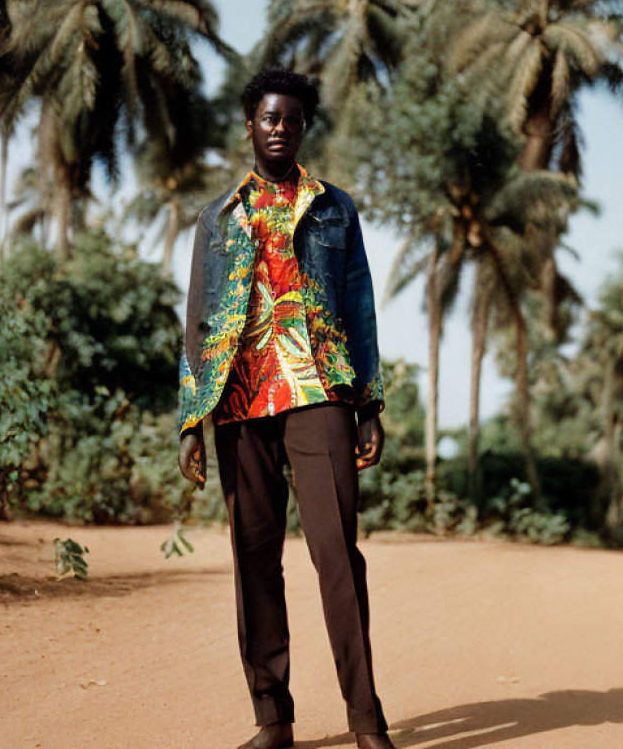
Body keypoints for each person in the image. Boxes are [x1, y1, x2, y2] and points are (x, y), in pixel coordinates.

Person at [176, 68, 396, 749]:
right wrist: (190, 418)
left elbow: (358, 304)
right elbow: (198, 317)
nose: (279, 128)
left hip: (318, 392)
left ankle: (366, 720)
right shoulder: (219, 218)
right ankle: (273, 721)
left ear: (304, 127)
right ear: (250, 124)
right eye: (269, 118)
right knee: (254, 558)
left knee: (337, 555)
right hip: (240, 402)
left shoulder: (335, 209)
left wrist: (368, 401)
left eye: (292, 120)